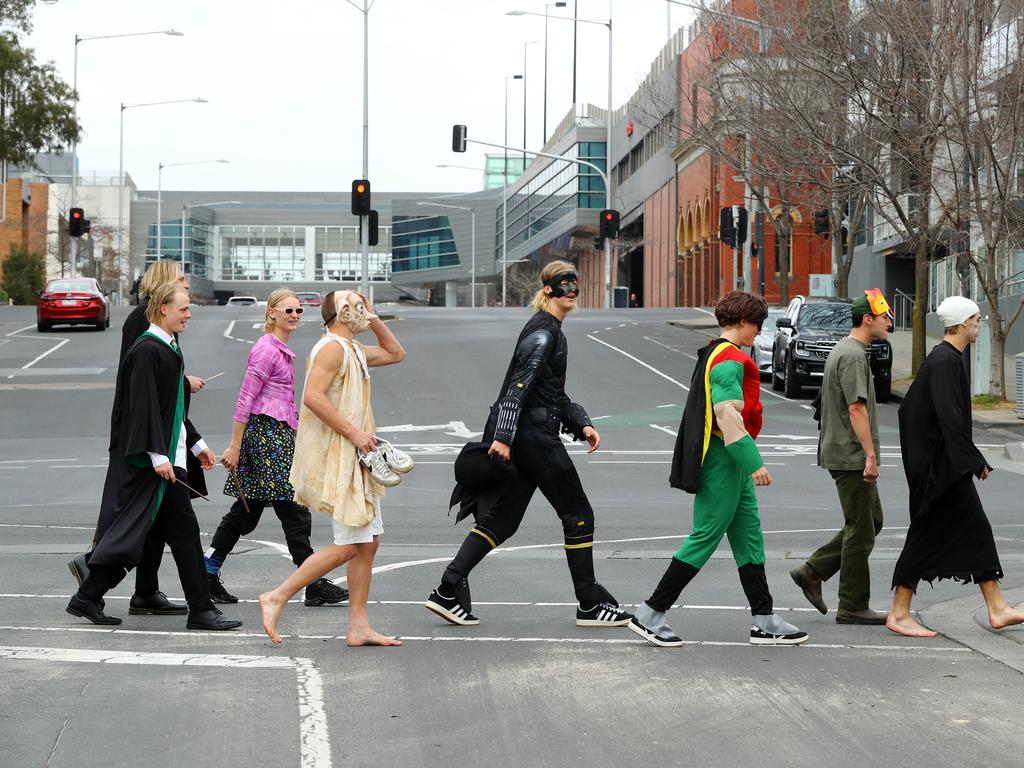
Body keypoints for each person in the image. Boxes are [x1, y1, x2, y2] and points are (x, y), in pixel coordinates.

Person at [425, 260, 632, 629]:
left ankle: (447, 589)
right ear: (548, 289)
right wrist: (502, 438)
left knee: (502, 520)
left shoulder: (550, 329)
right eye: (563, 283)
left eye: (575, 283)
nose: (571, 289)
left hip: (530, 432)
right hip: (533, 436)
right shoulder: (543, 333)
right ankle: (588, 603)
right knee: (578, 514)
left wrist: (581, 422)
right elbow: (518, 387)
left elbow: (550, 390)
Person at [630, 291, 808, 647]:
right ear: (743, 322)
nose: (759, 331)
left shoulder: (715, 351)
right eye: (757, 324)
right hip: (723, 460)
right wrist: (752, 462)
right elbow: (728, 414)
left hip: (725, 461)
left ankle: (763, 617)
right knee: (706, 535)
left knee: (749, 538)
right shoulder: (728, 359)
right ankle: (651, 612)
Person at [65, 283, 242, 630]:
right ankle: (201, 610)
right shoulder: (147, 350)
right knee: (184, 533)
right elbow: (142, 408)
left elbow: (171, 410)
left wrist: (196, 444)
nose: (189, 314)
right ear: (163, 308)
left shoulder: (167, 347)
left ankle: (88, 595)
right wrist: (158, 455)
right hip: (157, 464)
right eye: (183, 309)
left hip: (167, 459)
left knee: (143, 535)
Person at [259, 290, 405, 646]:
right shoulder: (332, 348)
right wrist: (354, 432)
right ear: (341, 312)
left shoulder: (351, 348)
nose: (363, 310)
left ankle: (358, 626)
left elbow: (395, 353)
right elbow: (311, 396)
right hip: (343, 455)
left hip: (358, 456)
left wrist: (371, 317)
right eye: (356, 305)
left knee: (367, 543)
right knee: (351, 544)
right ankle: (277, 595)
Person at [886, 296, 1024, 637]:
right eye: (976, 319)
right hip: (940, 472)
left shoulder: (945, 358)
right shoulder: (946, 361)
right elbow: (949, 418)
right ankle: (899, 612)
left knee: (973, 530)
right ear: (963, 324)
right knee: (930, 534)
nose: (980, 324)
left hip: (941, 468)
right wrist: (974, 460)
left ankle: (996, 607)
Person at [205, 289, 348, 607]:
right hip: (267, 437)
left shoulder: (277, 348)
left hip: (274, 435)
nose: (295, 315)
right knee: (294, 509)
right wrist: (234, 447)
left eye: (298, 310)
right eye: (288, 311)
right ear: (271, 313)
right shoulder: (265, 350)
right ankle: (312, 583)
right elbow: (245, 398)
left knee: (245, 514)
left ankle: (206, 574)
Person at [790, 289, 892, 625]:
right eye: (884, 317)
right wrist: (871, 456)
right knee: (861, 529)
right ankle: (852, 604)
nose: (889, 323)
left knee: (870, 522)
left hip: (845, 452)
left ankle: (813, 570)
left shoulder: (849, 350)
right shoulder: (851, 355)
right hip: (850, 455)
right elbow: (856, 408)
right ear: (867, 319)